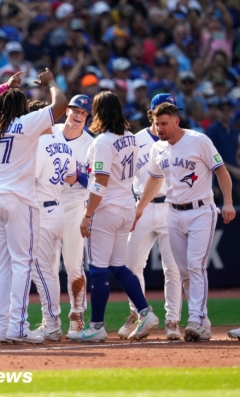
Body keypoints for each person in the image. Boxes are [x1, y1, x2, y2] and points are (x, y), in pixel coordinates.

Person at [0, 69, 67, 344]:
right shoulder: (26, 123)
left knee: (2, 263)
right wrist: (50, 82)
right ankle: (18, 327)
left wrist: (4, 85)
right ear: (20, 108)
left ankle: (2, 327)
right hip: (19, 200)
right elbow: (60, 104)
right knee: (23, 262)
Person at [136, 102, 236, 341]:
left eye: (164, 123)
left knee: (195, 265)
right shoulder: (158, 149)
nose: (159, 128)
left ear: (176, 121)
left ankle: (195, 319)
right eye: (157, 124)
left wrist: (229, 202)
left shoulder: (198, 140)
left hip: (201, 210)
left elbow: (221, 171)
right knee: (184, 271)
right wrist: (139, 208)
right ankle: (203, 321)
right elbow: (153, 181)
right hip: (174, 211)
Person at [69, 91, 159, 343]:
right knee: (118, 267)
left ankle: (96, 325)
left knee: (97, 268)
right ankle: (145, 312)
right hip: (126, 206)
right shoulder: (130, 137)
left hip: (106, 209)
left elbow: (101, 181)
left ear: (99, 112)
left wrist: (88, 214)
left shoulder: (102, 142)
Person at [118, 94, 184, 341]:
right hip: (142, 207)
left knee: (173, 269)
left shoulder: (183, 139)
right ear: (153, 112)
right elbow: (125, 178)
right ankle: (138, 313)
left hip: (171, 207)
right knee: (131, 265)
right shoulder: (136, 141)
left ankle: (172, 321)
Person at [30, 100, 77, 341]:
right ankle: (52, 321)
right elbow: (71, 178)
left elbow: (30, 181)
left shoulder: (36, 145)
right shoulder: (64, 145)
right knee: (49, 271)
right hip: (58, 210)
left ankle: (52, 323)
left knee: (41, 271)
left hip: (42, 213)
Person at [52, 95, 94, 337]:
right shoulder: (51, 132)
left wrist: (78, 175)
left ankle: (77, 315)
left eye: (84, 113)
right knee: (47, 265)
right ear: (67, 110)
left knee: (73, 264)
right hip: (47, 202)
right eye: (76, 110)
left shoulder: (90, 143)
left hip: (75, 205)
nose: (79, 116)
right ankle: (52, 320)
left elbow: (96, 183)